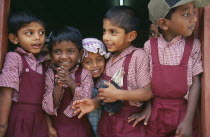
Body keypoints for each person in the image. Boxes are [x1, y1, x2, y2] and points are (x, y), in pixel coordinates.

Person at [72, 6, 152, 137]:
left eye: (113, 32)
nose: (106, 37)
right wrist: (94, 103)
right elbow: (103, 93)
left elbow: (147, 92)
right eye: (104, 31)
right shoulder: (109, 59)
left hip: (129, 123)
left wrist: (118, 94)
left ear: (131, 36)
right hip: (106, 122)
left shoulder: (138, 55)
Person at [129, 0, 203, 137]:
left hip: (183, 112)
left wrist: (188, 119)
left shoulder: (193, 46)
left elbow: (196, 83)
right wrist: (148, 107)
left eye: (193, 12)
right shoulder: (149, 46)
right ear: (163, 24)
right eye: (186, 14)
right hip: (156, 113)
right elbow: (147, 83)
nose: (194, 18)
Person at [0, 11, 47, 137]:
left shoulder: (43, 61)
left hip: (40, 119)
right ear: (14, 38)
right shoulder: (15, 58)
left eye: (41, 32)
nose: (38, 37)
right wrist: (2, 125)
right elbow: (5, 94)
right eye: (29, 33)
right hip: (19, 117)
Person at [42, 26, 93, 137]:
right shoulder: (50, 74)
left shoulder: (85, 74)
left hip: (79, 129)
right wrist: (59, 85)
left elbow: (84, 104)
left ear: (80, 54)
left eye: (70, 51)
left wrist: (71, 83)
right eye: (57, 52)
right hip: (56, 129)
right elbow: (49, 107)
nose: (64, 57)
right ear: (50, 54)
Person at [80, 38, 109, 137]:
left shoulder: (109, 79)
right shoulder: (79, 84)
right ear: (80, 63)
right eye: (88, 62)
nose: (95, 65)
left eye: (99, 59)